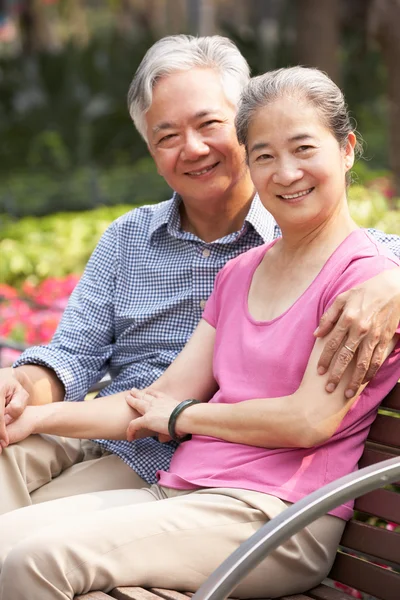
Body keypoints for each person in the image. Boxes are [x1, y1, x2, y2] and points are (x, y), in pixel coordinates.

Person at [1, 65, 400, 600]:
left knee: (36, 561)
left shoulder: (366, 280)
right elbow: (160, 398)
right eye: (264, 156)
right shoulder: (239, 274)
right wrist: (30, 416)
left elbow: (309, 421)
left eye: (304, 148)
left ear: (346, 149)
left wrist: (185, 418)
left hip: (276, 516)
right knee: (7, 543)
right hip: (186, 491)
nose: (285, 173)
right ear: (249, 165)